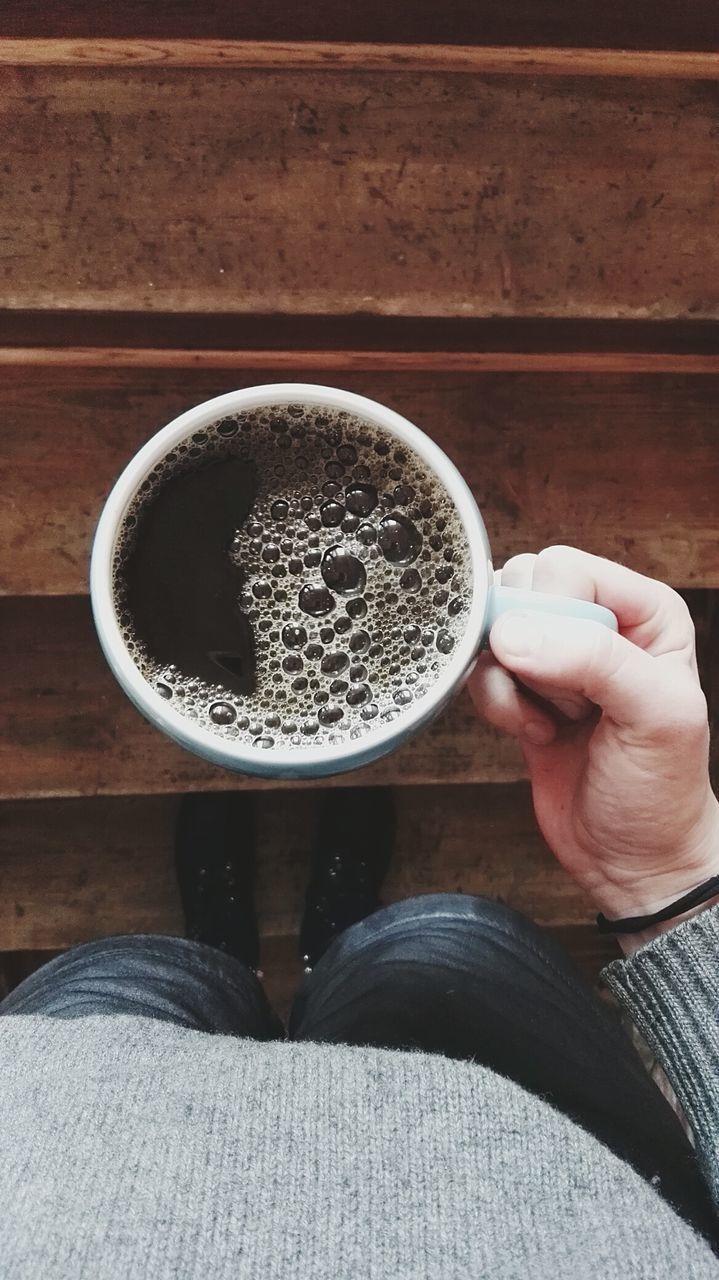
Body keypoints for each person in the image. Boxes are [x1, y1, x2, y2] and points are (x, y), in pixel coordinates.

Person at [1, 546, 718, 1278]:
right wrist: (665, 879)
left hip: (53, 1137)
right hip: (537, 1173)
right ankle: (329, 940)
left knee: (134, 973)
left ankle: (226, 955)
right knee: (432, 946)